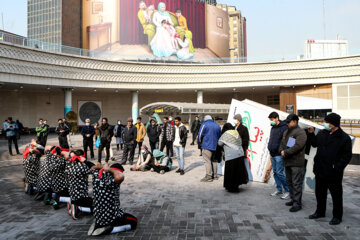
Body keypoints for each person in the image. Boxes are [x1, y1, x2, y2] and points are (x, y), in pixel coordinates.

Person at [307, 113, 352, 225]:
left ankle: (337, 216)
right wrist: (312, 134)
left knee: (336, 196)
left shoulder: (344, 138)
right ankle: (320, 212)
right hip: (320, 170)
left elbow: (347, 156)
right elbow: (315, 144)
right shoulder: (323, 133)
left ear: (334, 124)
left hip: (333, 173)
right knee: (320, 193)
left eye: (328, 122)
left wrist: (336, 167)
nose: (325, 124)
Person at [88, 163, 137, 236]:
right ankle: (110, 229)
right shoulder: (113, 180)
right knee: (134, 221)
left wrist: (105, 167)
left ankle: (98, 224)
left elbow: (92, 167)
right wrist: (110, 169)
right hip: (111, 217)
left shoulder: (96, 175)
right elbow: (120, 177)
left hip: (98, 215)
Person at [279, 113, 307, 213]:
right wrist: (282, 150)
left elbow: (297, 146)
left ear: (295, 121)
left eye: (289, 122)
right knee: (289, 182)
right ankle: (293, 199)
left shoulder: (300, 132)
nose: (287, 124)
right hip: (288, 161)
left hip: (296, 162)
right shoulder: (287, 131)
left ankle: (297, 203)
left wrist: (285, 152)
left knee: (296, 183)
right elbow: (283, 144)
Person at [218, 123, 248, 193]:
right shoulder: (236, 132)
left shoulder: (226, 133)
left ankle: (231, 187)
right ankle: (236, 186)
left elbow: (220, 143)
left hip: (231, 156)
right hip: (239, 154)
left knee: (231, 172)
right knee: (237, 172)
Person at [65, 149, 95, 220]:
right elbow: (94, 168)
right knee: (92, 208)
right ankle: (76, 207)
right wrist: (85, 161)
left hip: (72, 192)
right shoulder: (83, 167)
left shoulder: (69, 164)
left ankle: (72, 203)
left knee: (90, 201)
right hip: (81, 194)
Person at [267, 112, 290, 199]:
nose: (271, 121)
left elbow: (286, 141)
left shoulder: (284, 127)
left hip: (279, 154)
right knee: (275, 172)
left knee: (280, 173)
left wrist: (283, 151)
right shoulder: (273, 127)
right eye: (270, 120)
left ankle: (287, 190)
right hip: (272, 153)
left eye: (272, 119)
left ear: (277, 118)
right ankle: (279, 189)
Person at [198, 115, 221, 182]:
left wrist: (200, 143)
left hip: (207, 145)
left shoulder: (204, 124)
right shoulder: (217, 125)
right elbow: (220, 136)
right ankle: (215, 175)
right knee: (214, 160)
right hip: (215, 146)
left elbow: (200, 135)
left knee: (207, 160)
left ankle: (208, 176)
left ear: (205, 119)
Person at [47, 145, 70, 210]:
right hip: (61, 183)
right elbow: (69, 156)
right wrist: (63, 153)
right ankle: (56, 204)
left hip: (53, 181)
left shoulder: (50, 158)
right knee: (63, 192)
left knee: (57, 193)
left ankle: (54, 202)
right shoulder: (61, 160)